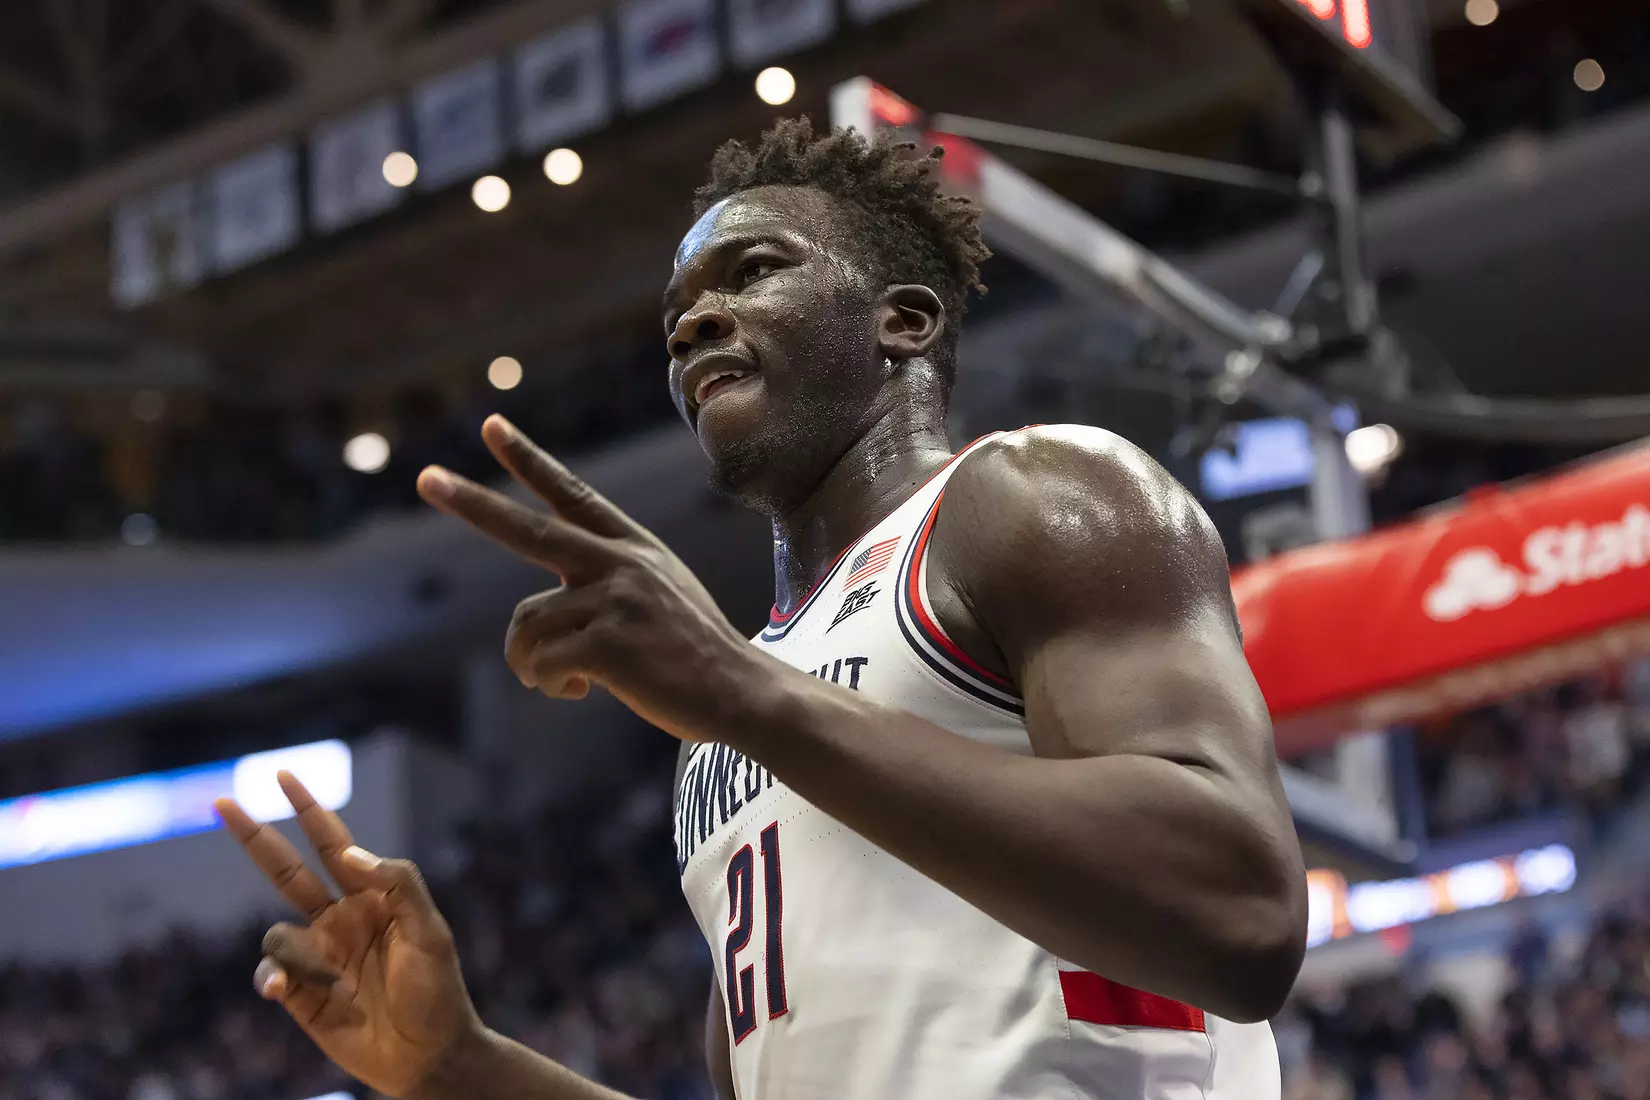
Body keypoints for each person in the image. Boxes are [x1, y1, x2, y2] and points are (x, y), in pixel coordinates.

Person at [216, 118, 1306, 1100]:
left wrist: (740, 691)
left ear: (904, 320)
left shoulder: (1032, 495)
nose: (694, 324)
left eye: (752, 273)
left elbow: (1241, 912)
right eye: (678, 313)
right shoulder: (722, 735)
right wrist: (461, 1066)